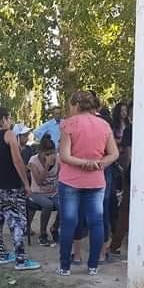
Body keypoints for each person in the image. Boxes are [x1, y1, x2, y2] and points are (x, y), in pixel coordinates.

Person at [57, 91, 119, 276]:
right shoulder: (104, 125)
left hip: (70, 180)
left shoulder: (69, 124)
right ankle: (93, 265)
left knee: (68, 222)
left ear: (76, 105)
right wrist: (99, 163)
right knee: (96, 222)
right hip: (96, 180)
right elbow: (114, 153)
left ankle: (65, 266)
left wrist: (83, 163)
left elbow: (64, 155)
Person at [0, 107, 40, 271]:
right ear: (3, 119)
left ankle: (2, 254)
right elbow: (17, 161)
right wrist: (26, 183)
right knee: (17, 222)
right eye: (9, 118)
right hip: (11, 186)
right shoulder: (8, 135)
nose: (10, 122)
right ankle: (20, 260)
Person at [110, 103, 134, 257]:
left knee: (125, 209)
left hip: (133, 171)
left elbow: (128, 155)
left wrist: (126, 171)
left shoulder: (130, 129)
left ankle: (116, 244)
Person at [28, 136, 60, 246]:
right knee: (48, 204)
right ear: (40, 152)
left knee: (65, 204)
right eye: (46, 154)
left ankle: (55, 228)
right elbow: (39, 181)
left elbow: (61, 176)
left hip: (53, 192)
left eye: (52, 154)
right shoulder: (33, 161)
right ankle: (43, 234)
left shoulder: (58, 159)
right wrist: (46, 166)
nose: (50, 157)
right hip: (37, 192)